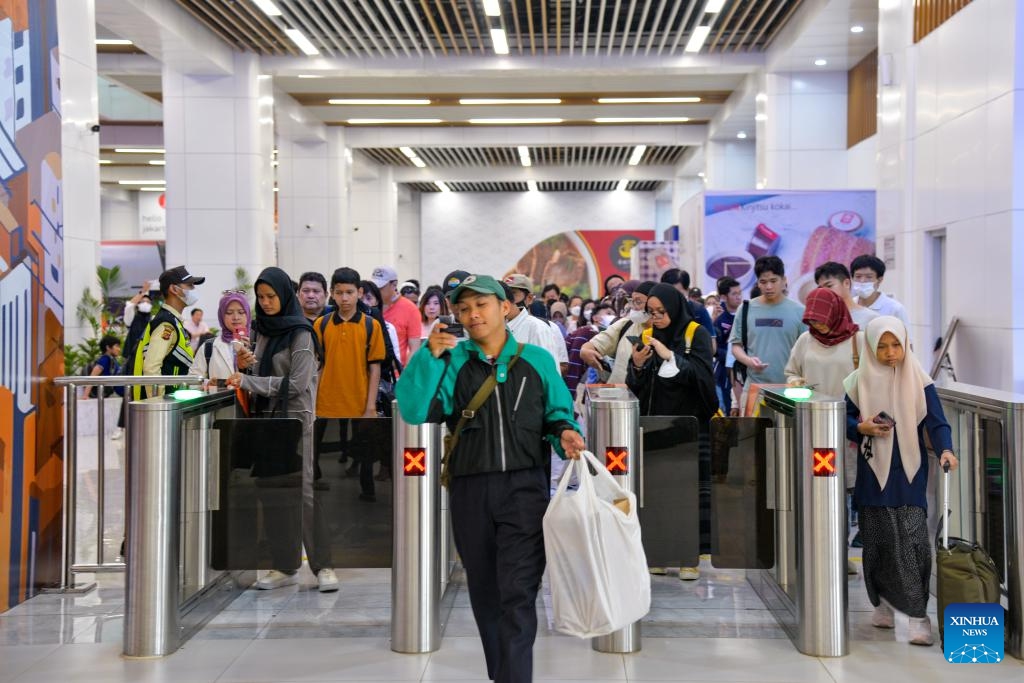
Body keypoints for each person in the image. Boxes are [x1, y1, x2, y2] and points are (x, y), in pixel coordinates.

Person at [395, 274, 585, 683]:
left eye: (481, 305)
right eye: (463, 309)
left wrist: (565, 432)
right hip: (470, 489)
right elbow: (415, 409)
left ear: (505, 308)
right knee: (485, 593)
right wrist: (429, 357)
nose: (472, 314)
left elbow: (556, 412)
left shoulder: (537, 360)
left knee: (518, 593)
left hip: (525, 488)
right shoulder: (451, 360)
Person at [843, 316, 958, 646]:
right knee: (876, 541)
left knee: (914, 541)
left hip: (909, 470)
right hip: (872, 470)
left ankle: (919, 616)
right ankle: (881, 605)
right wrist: (860, 427)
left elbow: (937, 422)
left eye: (896, 345)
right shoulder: (856, 381)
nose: (890, 353)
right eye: (882, 346)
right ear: (870, 347)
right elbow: (844, 416)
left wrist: (947, 449)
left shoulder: (919, 380)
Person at [226, 267, 337, 592]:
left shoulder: (301, 333)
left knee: (303, 494)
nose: (266, 302)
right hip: (268, 423)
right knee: (271, 493)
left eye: (271, 296)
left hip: (296, 423)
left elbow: (299, 383)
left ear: (284, 295)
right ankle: (284, 565)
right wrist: (247, 365)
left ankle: (324, 565)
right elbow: (263, 373)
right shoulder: (263, 330)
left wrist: (250, 380)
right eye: (261, 297)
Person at [626, 284, 717, 581]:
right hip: (655, 425)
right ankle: (659, 553)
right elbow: (637, 387)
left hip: (689, 426)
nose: (656, 318)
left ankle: (688, 557)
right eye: (650, 313)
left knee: (687, 494)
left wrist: (670, 357)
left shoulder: (696, 333)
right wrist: (637, 366)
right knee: (657, 493)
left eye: (661, 312)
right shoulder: (647, 335)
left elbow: (703, 380)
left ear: (674, 308)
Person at [784, 287, 865, 574]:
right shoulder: (806, 340)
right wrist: (796, 384)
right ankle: (814, 553)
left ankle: (839, 554)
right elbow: (791, 371)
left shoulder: (858, 340)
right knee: (814, 489)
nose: (817, 325)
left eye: (822, 319)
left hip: (847, 429)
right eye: (813, 320)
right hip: (813, 426)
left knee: (841, 493)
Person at [315, 268, 387, 502]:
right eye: (339, 292)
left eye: (349, 292)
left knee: (365, 456)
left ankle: (368, 492)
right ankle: (314, 488)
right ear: (332, 294)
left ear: (359, 292)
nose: (344, 298)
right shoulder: (321, 325)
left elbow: (374, 367)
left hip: (359, 401)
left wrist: (370, 407)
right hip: (324, 402)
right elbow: (318, 364)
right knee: (317, 454)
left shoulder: (371, 325)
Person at [729, 256, 805, 415]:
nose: (768, 286)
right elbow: (736, 346)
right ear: (757, 283)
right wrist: (748, 361)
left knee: (788, 438)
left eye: (773, 280)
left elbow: (806, 351)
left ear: (784, 280)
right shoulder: (746, 309)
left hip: (789, 390)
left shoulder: (799, 311)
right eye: (763, 282)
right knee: (751, 438)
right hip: (754, 389)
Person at [132, 266, 205, 398]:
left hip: (173, 402)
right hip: (166, 407)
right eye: (189, 285)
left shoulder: (174, 321)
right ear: (174, 289)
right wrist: (159, 404)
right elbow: (151, 369)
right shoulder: (166, 324)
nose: (193, 290)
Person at [579, 281, 656, 384]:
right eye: (631, 301)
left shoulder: (666, 330)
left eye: (638, 302)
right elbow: (593, 345)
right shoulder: (626, 324)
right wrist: (586, 350)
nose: (633, 307)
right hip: (619, 394)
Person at [503, 274, 569, 373]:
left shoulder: (540, 328)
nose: (506, 300)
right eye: (503, 294)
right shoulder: (496, 328)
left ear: (529, 298)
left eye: (512, 294)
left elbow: (552, 371)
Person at [190, 291, 255, 382]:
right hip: (221, 396)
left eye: (241, 312)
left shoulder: (258, 344)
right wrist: (208, 384)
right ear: (221, 316)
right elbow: (192, 379)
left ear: (248, 315)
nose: (236, 317)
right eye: (229, 312)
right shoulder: (208, 347)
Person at [372, 265, 421, 364]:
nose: (376, 290)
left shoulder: (410, 309)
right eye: (374, 286)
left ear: (394, 285)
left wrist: (405, 376)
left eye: (380, 287)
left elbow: (414, 349)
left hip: (397, 374)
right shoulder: (368, 306)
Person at [850, 254, 910, 331]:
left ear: (880, 280)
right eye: (858, 276)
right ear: (852, 278)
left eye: (869, 277)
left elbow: (907, 341)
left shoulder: (895, 309)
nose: (862, 281)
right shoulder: (848, 306)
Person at [814, 261, 878, 328]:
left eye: (829, 286)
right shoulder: (820, 321)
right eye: (820, 288)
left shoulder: (872, 319)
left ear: (846, 283)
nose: (824, 292)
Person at [713, 277, 742, 415]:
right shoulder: (718, 317)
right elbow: (713, 347)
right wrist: (731, 355)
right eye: (734, 294)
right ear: (724, 297)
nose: (739, 297)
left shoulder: (745, 313)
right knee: (727, 407)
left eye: (740, 293)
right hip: (724, 371)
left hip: (744, 367)